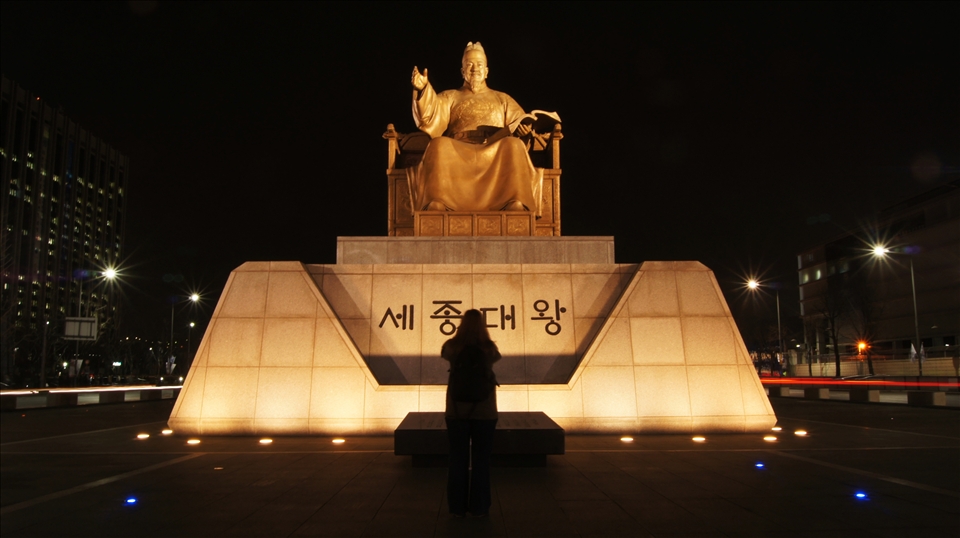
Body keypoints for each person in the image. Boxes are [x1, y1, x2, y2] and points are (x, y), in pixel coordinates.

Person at [408, 42, 543, 214]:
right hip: (459, 150)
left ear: (487, 70)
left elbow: (521, 122)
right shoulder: (451, 96)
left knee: (514, 145)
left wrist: (524, 133)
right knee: (438, 145)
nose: (474, 69)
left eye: (479, 64)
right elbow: (429, 116)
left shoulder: (502, 99)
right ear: (462, 71)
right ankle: (437, 202)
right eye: (469, 64)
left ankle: (513, 201)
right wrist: (422, 89)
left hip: (494, 150)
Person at [442, 309, 501, 517]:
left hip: (456, 411)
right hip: (484, 411)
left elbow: (444, 354)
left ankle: (456, 507)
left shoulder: (452, 347)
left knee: (457, 459)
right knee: (481, 461)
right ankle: (479, 506)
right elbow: (496, 358)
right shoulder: (489, 348)